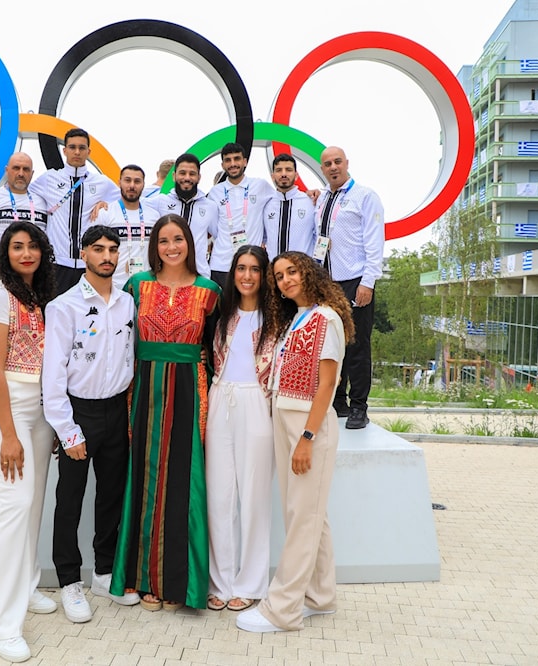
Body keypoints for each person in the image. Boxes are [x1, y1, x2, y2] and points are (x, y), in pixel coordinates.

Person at [236, 251, 355, 634]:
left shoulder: (328, 318)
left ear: (309, 273)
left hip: (308, 425)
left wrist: (307, 436)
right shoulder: (298, 318)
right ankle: (320, 598)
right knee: (308, 515)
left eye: (292, 272)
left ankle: (282, 610)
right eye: (280, 275)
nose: (285, 280)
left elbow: (327, 385)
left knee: (302, 518)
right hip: (285, 418)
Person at [110, 214, 221, 612]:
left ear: (189, 242)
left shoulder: (210, 292)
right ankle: (142, 578)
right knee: (143, 478)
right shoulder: (136, 286)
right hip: (143, 389)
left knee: (183, 481)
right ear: (153, 246)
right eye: (163, 240)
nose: (171, 247)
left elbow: (215, 347)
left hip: (190, 388)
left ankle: (179, 583)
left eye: (178, 239)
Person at [43, 225, 140, 623]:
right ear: (83, 254)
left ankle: (103, 572)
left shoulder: (127, 302)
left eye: (113, 250)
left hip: (117, 410)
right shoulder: (64, 306)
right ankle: (69, 581)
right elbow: (53, 376)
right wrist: (68, 430)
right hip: (79, 413)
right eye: (98, 249)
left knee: (111, 496)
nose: (107, 256)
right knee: (70, 500)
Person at [0, 221, 58, 663]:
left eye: (32, 247)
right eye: (16, 247)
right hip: (7, 409)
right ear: (5, 253)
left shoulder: (42, 296)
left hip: (41, 410)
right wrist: (10, 434)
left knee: (33, 505)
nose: (25, 253)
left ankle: (26, 587)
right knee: (15, 504)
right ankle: (1, 626)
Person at [205, 245, 277, 613]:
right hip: (221, 400)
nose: (247, 276)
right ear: (232, 274)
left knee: (253, 496)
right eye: (240, 269)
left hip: (257, 404)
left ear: (265, 276)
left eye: (255, 270)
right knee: (219, 496)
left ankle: (249, 584)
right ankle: (220, 581)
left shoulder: (277, 320)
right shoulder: (221, 315)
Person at [313, 146, 384, 429]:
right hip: (327, 283)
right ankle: (337, 401)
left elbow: (375, 241)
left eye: (337, 162)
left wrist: (368, 282)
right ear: (322, 169)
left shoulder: (365, 196)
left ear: (347, 164)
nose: (333, 167)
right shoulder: (322, 199)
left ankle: (359, 407)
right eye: (327, 164)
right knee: (332, 345)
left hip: (355, 280)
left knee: (357, 346)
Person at [31, 128, 120, 295]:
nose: (77, 152)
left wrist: (105, 202)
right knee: (55, 313)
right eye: (72, 147)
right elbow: (22, 192)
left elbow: (126, 200)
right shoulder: (49, 178)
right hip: (57, 264)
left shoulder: (101, 182)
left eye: (82, 148)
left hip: (88, 265)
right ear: (64, 150)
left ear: (89, 151)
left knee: (90, 315)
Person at [207, 143, 276, 286]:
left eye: (236, 159)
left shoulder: (261, 186)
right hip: (222, 264)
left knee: (252, 307)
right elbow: (214, 228)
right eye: (228, 160)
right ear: (223, 165)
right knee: (224, 308)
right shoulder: (215, 192)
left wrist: (310, 194)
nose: (232, 164)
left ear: (244, 161)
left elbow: (280, 201)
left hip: (252, 263)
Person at [0, 152, 49, 273]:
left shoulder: (42, 202)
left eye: (26, 169)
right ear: (7, 170)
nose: (21, 173)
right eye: (16, 168)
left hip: (35, 278)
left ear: (32, 173)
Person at [146, 152, 215, 279]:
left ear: (199, 177)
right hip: (166, 278)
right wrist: (102, 202)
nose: (187, 178)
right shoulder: (160, 202)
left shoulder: (210, 206)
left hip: (200, 277)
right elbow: (131, 203)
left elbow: (221, 238)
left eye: (192, 174)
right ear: (174, 176)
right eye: (182, 173)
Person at [92, 165, 161, 289]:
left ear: (143, 185)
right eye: (127, 180)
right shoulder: (105, 213)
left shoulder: (154, 216)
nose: (132, 186)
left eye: (137, 181)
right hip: (114, 285)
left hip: (146, 285)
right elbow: (94, 250)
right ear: (119, 182)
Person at [261, 153, 316, 260]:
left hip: (303, 271)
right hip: (274, 271)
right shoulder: (266, 204)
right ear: (273, 176)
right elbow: (263, 238)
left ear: (296, 175)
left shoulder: (311, 202)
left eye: (288, 170)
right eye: (279, 170)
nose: (284, 174)